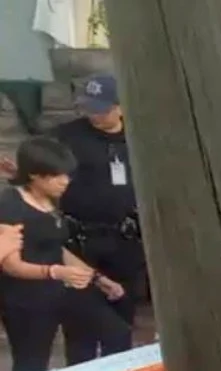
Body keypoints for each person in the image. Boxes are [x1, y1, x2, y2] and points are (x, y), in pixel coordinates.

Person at [0, 136, 131, 371]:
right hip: (27, 299)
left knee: (116, 332)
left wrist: (97, 278)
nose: (65, 182)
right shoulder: (10, 204)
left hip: (61, 287)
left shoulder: (50, 199)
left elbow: (58, 247)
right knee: (31, 365)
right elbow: (10, 264)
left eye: (67, 175)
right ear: (35, 176)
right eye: (57, 176)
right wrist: (54, 272)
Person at [51, 74, 146, 342]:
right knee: (80, 321)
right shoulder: (68, 135)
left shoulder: (139, 136)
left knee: (122, 314)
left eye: (101, 109)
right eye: (88, 108)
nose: (94, 116)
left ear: (121, 107)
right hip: (81, 239)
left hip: (125, 239)